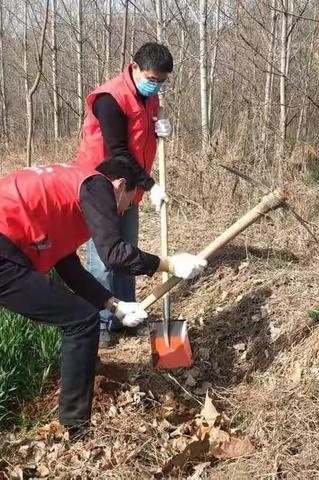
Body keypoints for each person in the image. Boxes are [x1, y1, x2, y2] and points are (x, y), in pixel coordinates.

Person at [0, 158, 206, 438]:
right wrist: (168, 264)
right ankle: (76, 428)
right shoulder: (97, 186)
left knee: (82, 316)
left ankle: (79, 403)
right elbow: (115, 254)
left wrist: (114, 305)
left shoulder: (71, 189)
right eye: (128, 204)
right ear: (120, 186)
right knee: (82, 321)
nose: (121, 213)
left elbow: (69, 268)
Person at [75, 42, 173, 345]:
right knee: (104, 257)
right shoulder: (110, 99)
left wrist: (159, 130)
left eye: (161, 81)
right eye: (151, 78)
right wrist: (151, 184)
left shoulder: (149, 98)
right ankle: (103, 320)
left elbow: (139, 137)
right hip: (101, 185)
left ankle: (130, 313)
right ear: (134, 68)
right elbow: (118, 152)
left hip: (129, 188)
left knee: (127, 251)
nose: (155, 85)